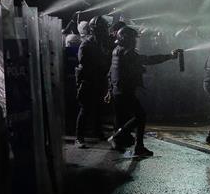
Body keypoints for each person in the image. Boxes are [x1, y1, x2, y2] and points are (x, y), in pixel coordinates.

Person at [106, 26, 181, 157]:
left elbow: (113, 72)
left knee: (130, 117)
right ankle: (132, 144)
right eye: (134, 39)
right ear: (128, 39)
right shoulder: (128, 53)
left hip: (118, 90)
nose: (135, 41)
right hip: (125, 91)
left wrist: (110, 89)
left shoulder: (117, 50)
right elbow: (148, 60)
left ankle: (121, 140)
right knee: (140, 116)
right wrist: (170, 56)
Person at [74, 16, 112, 148]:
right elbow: (84, 63)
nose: (105, 32)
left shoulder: (102, 43)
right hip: (88, 81)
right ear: (96, 30)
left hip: (100, 80)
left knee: (99, 108)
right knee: (85, 109)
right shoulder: (87, 44)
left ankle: (98, 132)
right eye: (103, 29)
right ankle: (79, 138)